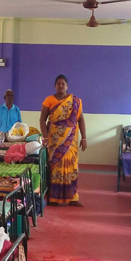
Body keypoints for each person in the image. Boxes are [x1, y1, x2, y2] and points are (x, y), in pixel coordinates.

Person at [39, 75, 87, 207]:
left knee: (72, 166)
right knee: (55, 167)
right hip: (54, 140)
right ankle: (53, 198)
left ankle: (73, 197)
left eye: (63, 84)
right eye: (58, 84)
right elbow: (42, 119)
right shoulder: (49, 100)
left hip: (71, 139)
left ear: (67, 86)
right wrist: (46, 137)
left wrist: (84, 138)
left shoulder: (75, 101)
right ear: (55, 86)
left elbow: (81, 120)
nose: (61, 86)